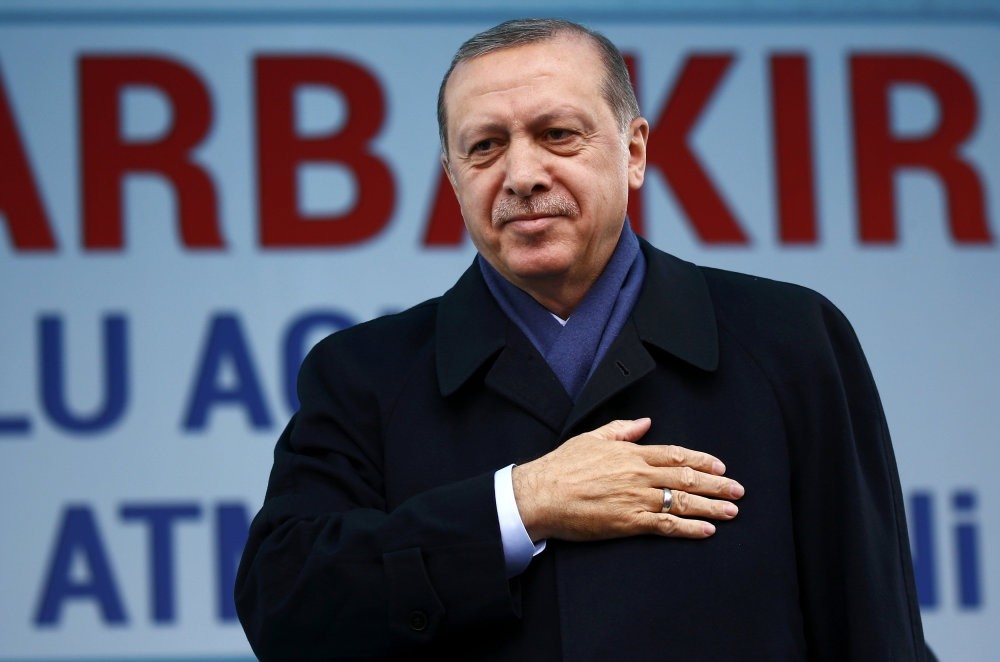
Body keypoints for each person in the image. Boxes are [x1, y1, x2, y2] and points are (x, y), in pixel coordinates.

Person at [235, 18, 930, 661]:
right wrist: (520, 504)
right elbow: (285, 604)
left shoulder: (789, 340)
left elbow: (872, 625)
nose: (523, 174)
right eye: (485, 147)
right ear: (453, 180)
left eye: (558, 134)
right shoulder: (365, 373)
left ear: (633, 153)